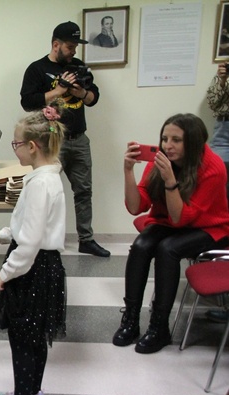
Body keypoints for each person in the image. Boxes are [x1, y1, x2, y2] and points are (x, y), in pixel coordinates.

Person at [0, 101, 67, 395]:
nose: (14, 149)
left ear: (32, 147)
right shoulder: (48, 178)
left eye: (16, 144)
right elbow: (30, 227)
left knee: (22, 338)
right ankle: (32, 392)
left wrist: (6, 272)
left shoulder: (40, 185)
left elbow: (29, 242)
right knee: (36, 336)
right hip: (46, 266)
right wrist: (0, 235)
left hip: (31, 270)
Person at [112, 114, 229, 354]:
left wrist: (169, 181)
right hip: (171, 221)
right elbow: (136, 207)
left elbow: (181, 217)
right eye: (165, 138)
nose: (167, 145)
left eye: (176, 140)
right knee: (142, 245)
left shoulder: (213, 167)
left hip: (208, 227)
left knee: (168, 249)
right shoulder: (160, 160)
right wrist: (128, 171)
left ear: (193, 143)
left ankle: (159, 327)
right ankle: (131, 320)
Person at [20, 21, 110, 258]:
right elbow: (28, 102)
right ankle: (39, 240)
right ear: (56, 44)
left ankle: (86, 240)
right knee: (44, 192)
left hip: (79, 139)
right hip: (50, 141)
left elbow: (93, 98)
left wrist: (81, 93)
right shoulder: (37, 69)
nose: (74, 52)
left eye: (75, 47)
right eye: (70, 47)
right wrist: (58, 91)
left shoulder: (80, 67)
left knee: (83, 191)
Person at [204, 62, 229, 323]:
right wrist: (222, 80)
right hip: (223, 136)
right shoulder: (224, 74)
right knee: (220, 204)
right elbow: (215, 104)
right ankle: (218, 275)